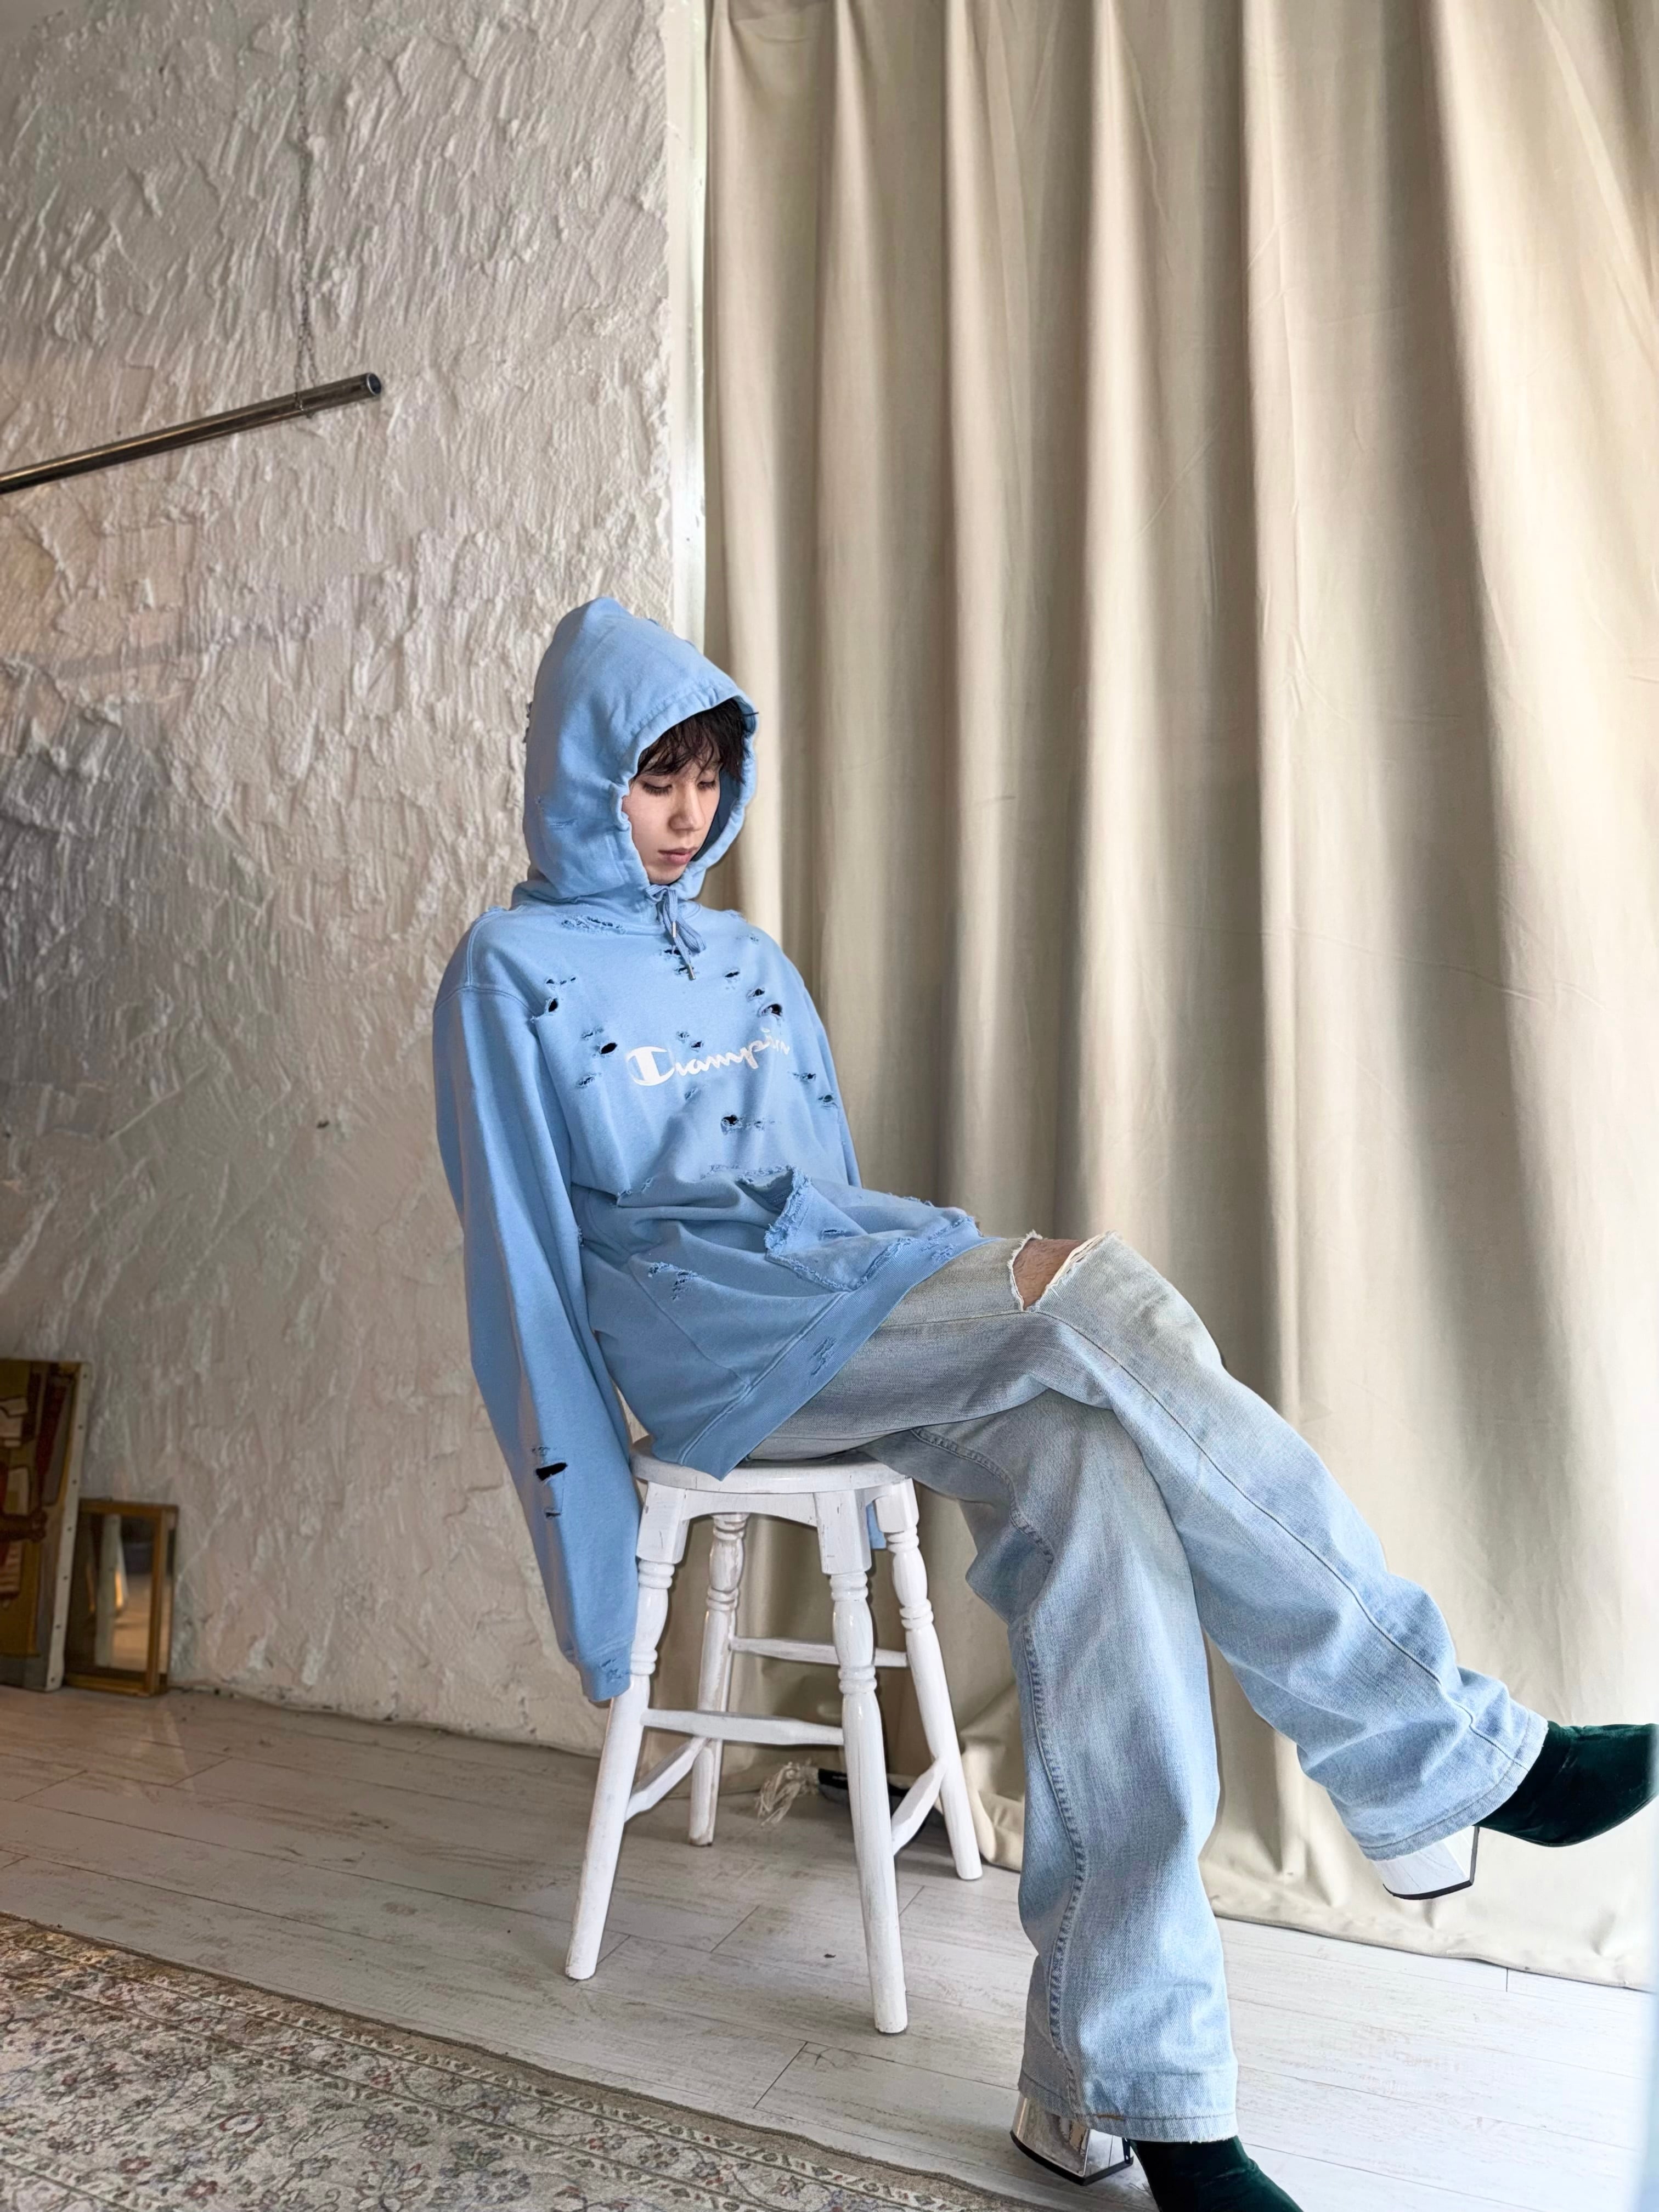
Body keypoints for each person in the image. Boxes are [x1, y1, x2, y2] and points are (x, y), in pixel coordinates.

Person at [432, 598, 1655, 2212]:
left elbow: (822, 1187)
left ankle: (1125, 2095)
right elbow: (521, 1269)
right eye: (655, 778)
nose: (685, 814)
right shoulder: (504, 972)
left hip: (833, 1307)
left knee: (1093, 1471)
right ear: (580, 776)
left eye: (708, 778)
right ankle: (1440, 1753)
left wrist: (926, 1293)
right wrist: (595, 1587)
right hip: (704, 1353)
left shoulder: (748, 960)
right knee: (1100, 1291)